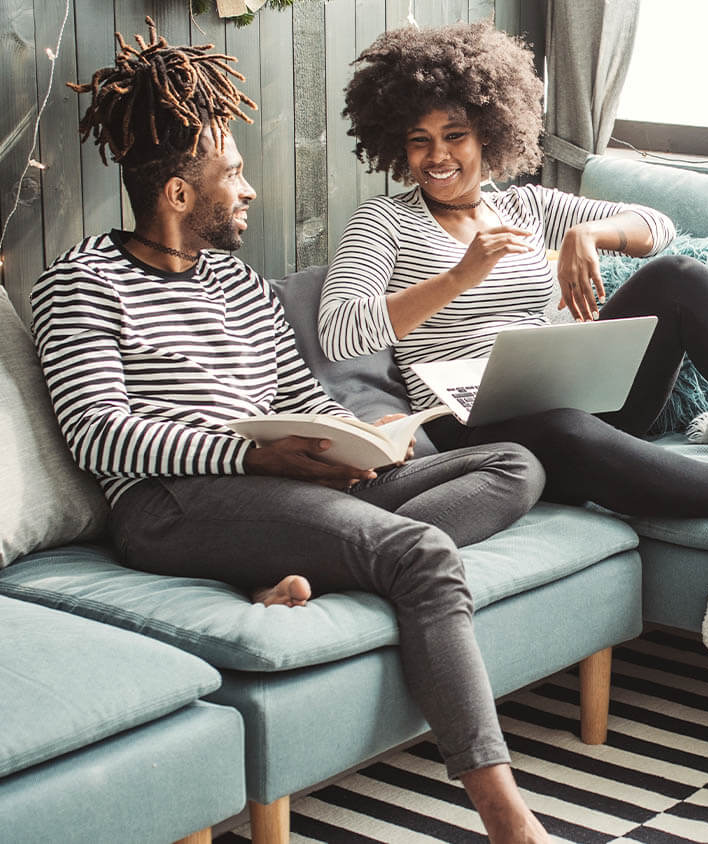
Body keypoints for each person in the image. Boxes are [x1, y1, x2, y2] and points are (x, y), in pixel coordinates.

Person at [37, 20, 551, 843]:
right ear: (177, 194)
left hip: (282, 481)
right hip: (177, 502)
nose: (246, 191)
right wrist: (253, 453)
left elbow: (298, 391)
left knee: (513, 465)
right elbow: (99, 433)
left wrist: (359, 437)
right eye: (231, 175)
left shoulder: (239, 285)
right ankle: (505, 817)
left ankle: (309, 563)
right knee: (419, 554)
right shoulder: (82, 283)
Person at [320, 22, 708, 521]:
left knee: (677, 278)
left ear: (489, 133)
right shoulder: (383, 221)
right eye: (420, 141)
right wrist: (459, 277)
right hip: (479, 428)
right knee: (563, 428)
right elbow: (338, 332)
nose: (437, 156)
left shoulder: (526, 207)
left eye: (454, 136)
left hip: (576, 399)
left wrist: (589, 234)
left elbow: (658, 226)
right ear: (399, 146)